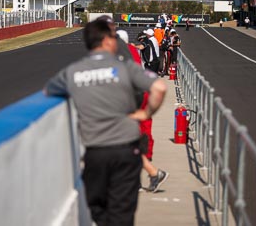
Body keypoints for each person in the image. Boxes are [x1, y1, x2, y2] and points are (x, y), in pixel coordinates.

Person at [44, 20, 167, 226]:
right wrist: (145, 113)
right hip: (126, 150)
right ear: (106, 42)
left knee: (98, 210)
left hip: (95, 152)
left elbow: (49, 90)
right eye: (113, 37)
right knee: (122, 214)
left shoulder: (73, 71)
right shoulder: (125, 67)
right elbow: (159, 87)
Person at [117, 30, 169, 193]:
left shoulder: (118, 52)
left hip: (133, 95)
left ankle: (140, 177)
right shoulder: (132, 50)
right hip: (144, 90)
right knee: (143, 132)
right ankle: (150, 171)